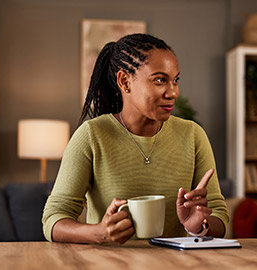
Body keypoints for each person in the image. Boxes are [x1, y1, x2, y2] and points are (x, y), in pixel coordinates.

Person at [42, 33, 228, 244]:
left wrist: (199, 227)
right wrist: (99, 233)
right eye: (160, 80)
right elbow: (53, 220)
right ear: (125, 81)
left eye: (175, 80)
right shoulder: (92, 136)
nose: (173, 92)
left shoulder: (193, 135)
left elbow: (219, 215)